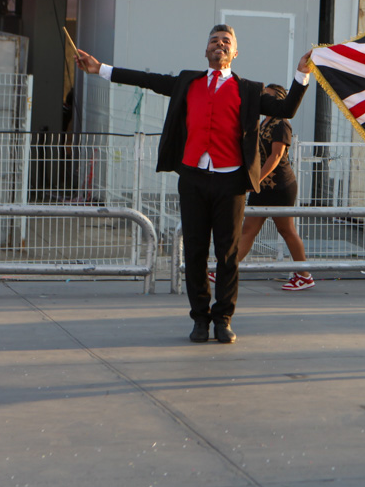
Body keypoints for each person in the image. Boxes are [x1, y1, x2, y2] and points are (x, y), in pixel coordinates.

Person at [75, 26, 311, 344]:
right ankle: (200, 318)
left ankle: (223, 319)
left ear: (235, 53)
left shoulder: (250, 90)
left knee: (227, 255)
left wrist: (301, 73)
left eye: (226, 42)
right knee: (196, 253)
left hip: (230, 181)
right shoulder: (189, 82)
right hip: (193, 178)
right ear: (206, 51)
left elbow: (286, 110)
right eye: (214, 41)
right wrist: (100, 68)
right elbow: (148, 80)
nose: (220, 45)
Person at [235, 84, 315, 292]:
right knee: (248, 229)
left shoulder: (281, 124)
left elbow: (276, 156)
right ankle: (227, 269)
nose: (264, 101)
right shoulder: (263, 122)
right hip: (262, 186)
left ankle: (304, 275)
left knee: (286, 230)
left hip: (281, 186)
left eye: (268, 97)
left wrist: (256, 180)